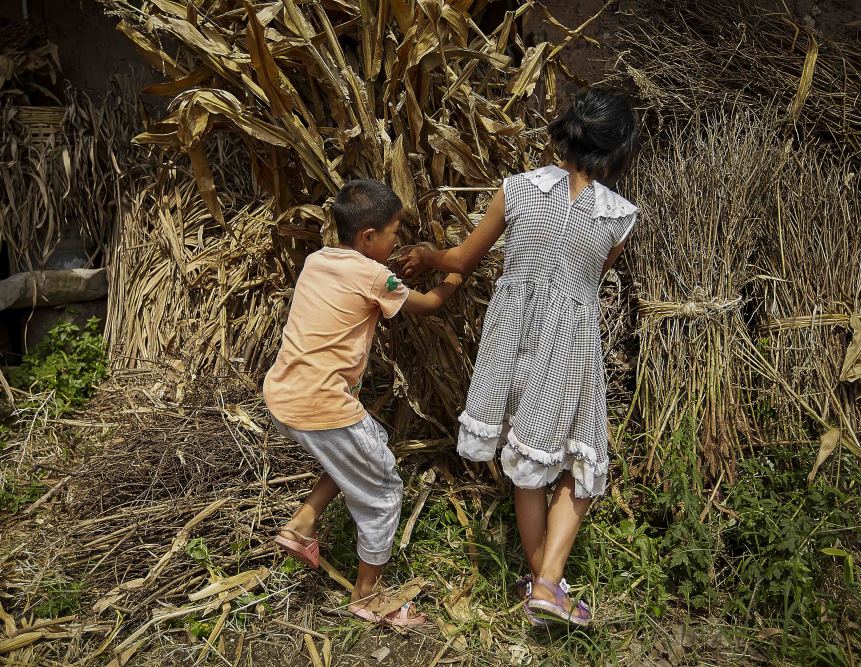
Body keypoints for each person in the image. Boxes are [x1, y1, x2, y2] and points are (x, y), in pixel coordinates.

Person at [401, 88, 640, 627]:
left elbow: (463, 258)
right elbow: (586, 284)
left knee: (526, 463)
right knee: (584, 461)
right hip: (569, 344)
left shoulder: (518, 190)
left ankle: (542, 587)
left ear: (566, 131)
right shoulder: (620, 217)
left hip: (510, 335)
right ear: (618, 149)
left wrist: (428, 256)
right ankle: (549, 586)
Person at [264, 179, 463, 626]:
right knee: (384, 492)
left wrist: (389, 270)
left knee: (362, 447)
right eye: (394, 232)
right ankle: (367, 597)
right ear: (368, 237)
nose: (398, 240)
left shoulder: (317, 260)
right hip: (322, 405)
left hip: (283, 394)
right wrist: (454, 273)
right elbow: (429, 304)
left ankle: (301, 525)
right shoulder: (374, 276)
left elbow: (361, 285)